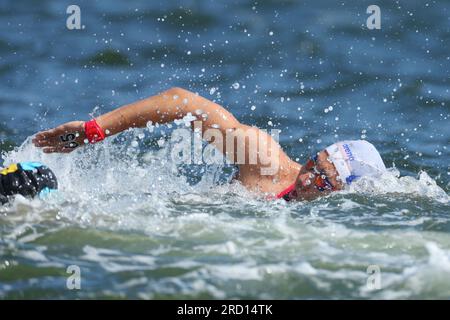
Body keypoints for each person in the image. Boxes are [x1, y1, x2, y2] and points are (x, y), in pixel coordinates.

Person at [32, 87, 386, 201]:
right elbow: (183, 102)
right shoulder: (264, 161)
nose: (308, 179)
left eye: (324, 181)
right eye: (314, 164)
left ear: (343, 192)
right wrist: (93, 131)